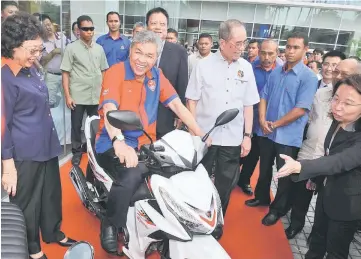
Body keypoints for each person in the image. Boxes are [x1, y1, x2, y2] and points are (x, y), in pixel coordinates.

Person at [95, 30, 211, 253]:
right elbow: (110, 110)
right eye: (138, 53)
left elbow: (177, 105)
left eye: (149, 55)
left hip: (147, 143)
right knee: (131, 175)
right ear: (131, 50)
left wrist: (199, 132)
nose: (142, 60)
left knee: (175, 170)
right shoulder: (115, 73)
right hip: (112, 142)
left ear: (156, 56)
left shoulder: (156, 76)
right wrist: (119, 141)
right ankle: (110, 223)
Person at [1, 12, 76, 259]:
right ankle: (31, 246)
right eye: (32, 50)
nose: (37, 56)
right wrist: (8, 166)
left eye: (39, 49)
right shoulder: (4, 77)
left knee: (50, 193)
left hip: (46, 142)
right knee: (26, 203)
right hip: (23, 151)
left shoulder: (29, 66)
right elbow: (2, 125)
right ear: (13, 46)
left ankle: (53, 231)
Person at [275, 74, 361, 259]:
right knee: (316, 242)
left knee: (335, 251)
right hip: (326, 195)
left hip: (347, 204)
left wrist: (301, 166)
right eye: (336, 99)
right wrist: (316, 178)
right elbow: (328, 152)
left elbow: (340, 160)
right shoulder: (339, 120)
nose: (338, 106)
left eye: (348, 103)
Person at [186, 19, 260, 217]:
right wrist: (195, 132)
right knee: (197, 179)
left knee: (226, 184)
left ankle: (217, 219)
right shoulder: (203, 66)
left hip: (232, 138)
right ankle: (195, 217)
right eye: (238, 43)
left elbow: (249, 104)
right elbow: (191, 100)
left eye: (244, 42)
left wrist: (247, 136)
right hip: (205, 135)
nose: (242, 48)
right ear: (223, 42)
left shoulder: (246, 67)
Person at [245, 32, 318, 228]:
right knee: (264, 167)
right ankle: (261, 198)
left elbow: (301, 109)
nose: (291, 51)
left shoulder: (308, 77)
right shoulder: (276, 71)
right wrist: (261, 119)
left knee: (284, 176)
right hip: (266, 131)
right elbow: (264, 97)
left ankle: (277, 210)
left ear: (305, 50)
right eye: (289, 46)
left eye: (296, 47)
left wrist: (275, 124)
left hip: (288, 137)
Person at [284, 52, 347, 240]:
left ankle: (318, 233)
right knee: (301, 190)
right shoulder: (320, 93)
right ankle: (296, 223)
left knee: (324, 197)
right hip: (310, 150)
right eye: (327, 64)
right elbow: (310, 119)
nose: (331, 70)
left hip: (332, 157)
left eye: (336, 66)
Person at [61, 15, 109, 166]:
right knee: (76, 126)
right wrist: (68, 96)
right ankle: (76, 152)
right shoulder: (71, 48)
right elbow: (65, 73)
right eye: (85, 29)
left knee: (95, 125)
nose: (89, 32)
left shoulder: (99, 49)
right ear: (79, 30)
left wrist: (103, 92)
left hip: (95, 95)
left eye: (91, 29)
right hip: (78, 95)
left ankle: (93, 150)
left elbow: (104, 71)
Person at [238, 39, 281, 195]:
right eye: (263, 53)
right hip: (245, 118)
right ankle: (229, 177)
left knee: (254, 154)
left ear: (277, 54)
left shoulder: (281, 72)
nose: (266, 57)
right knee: (238, 152)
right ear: (258, 52)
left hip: (266, 123)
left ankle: (244, 180)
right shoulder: (249, 69)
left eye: (271, 53)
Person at [146, 7, 188, 138]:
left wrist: (179, 115)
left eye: (162, 24)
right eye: (154, 23)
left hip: (166, 113)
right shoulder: (138, 48)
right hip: (140, 113)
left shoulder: (179, 52)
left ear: (167, 27)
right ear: (147, 26)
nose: (158, 27)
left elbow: (182, 84)